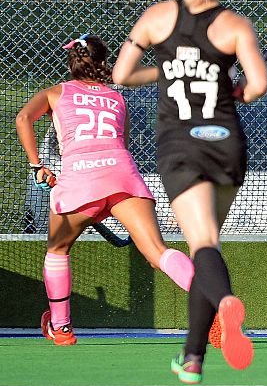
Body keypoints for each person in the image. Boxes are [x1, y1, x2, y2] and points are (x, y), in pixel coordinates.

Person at [112, 0, 267, 383]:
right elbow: (256, 87)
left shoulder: (158, 17)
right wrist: (235, 89)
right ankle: (193, 357)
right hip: (225, 142)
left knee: (203, 245)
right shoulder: (235, 26)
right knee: (207, 244)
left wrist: (163, 69)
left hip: (182, 145)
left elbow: (122, 75)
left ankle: (225, 305)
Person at [15, 34, 195, 346]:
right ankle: (214, 297)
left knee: (58, 250)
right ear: (102, 63)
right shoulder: (117, 99)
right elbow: (120, 145)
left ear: (72, 61)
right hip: (123, 176)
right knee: (157, 252)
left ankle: (61, 327)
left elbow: (22, 118)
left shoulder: (56, 93)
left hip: (81, 180)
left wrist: (37, 165)